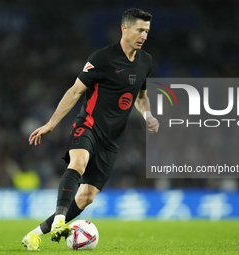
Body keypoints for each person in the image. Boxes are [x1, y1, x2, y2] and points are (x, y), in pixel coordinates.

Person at [21, 8, 159, 251]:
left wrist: (148, 115)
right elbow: (75, 91)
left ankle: (34, 234)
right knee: (79, 162)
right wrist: (51, 124)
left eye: (147, 31)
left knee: (86, 197)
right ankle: (61, 219)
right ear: (124, 28)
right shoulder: (102, 58)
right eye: (140, 29)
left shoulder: (145, 62)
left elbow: (140, 97)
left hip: (112, 139)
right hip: (88, 125)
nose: (144, 35)